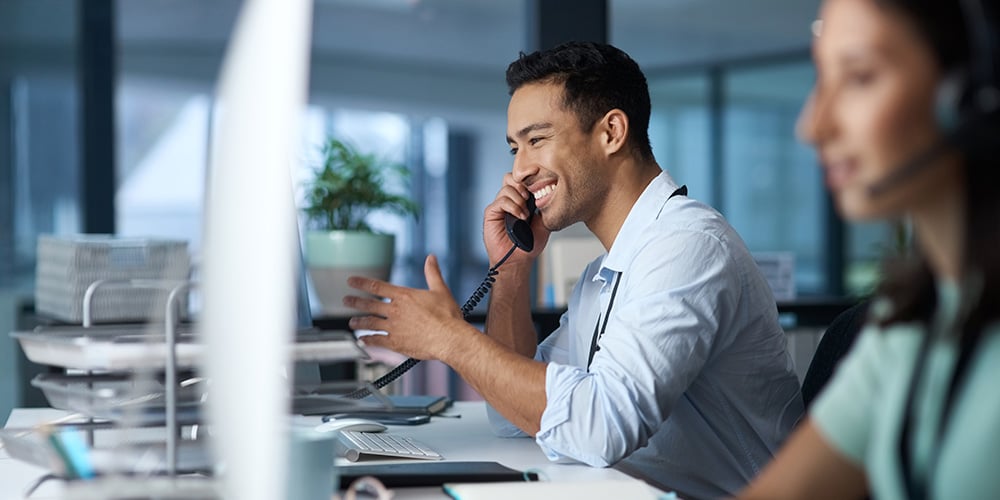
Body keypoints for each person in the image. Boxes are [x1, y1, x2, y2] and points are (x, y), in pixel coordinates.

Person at [345, 41, 803, 499]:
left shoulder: (688, 246)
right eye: (514, 148)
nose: (520, 170)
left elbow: (602, 426)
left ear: (611, 132)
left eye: (537, 140)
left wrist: (451, 339)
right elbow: (514, 417)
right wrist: (511, 271)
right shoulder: (604, 274)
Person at [738, 0, 1000, 498]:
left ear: (974, 95)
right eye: (821, 77)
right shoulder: (910, 327)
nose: (813, 126)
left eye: (859, 78)